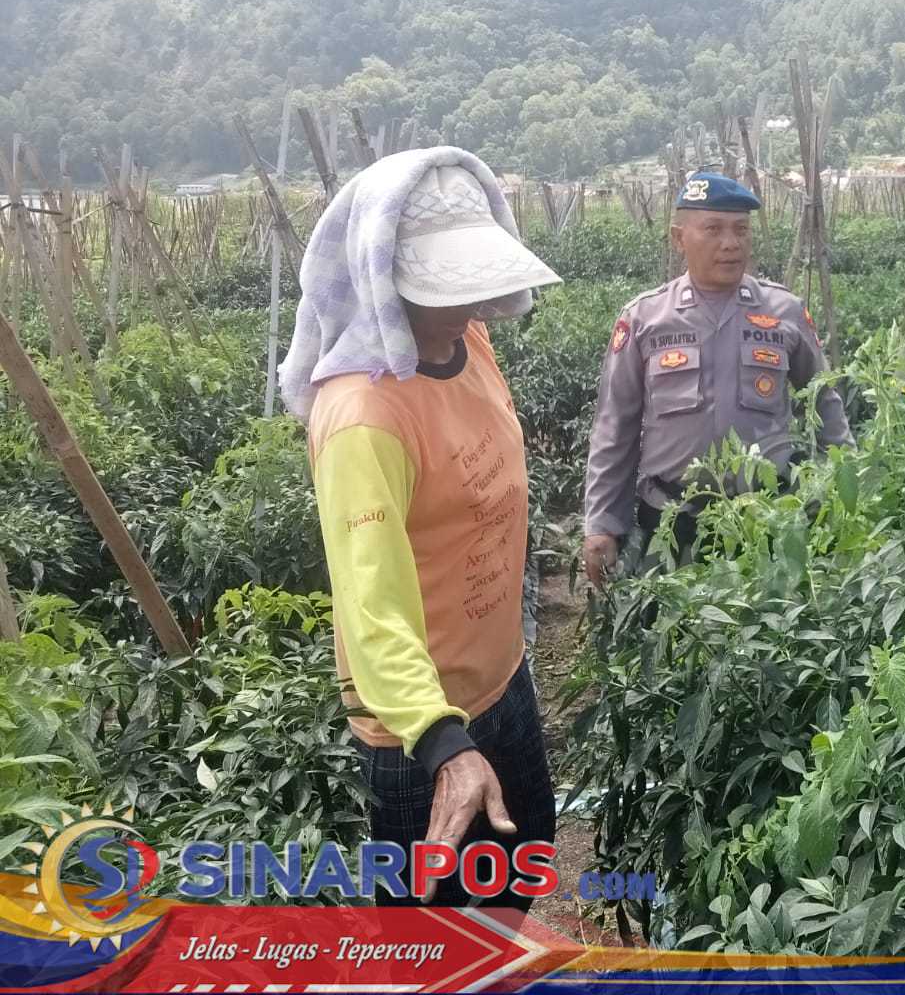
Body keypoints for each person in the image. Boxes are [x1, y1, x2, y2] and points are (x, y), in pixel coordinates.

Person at [279, 147, 563, 906]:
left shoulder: (467, 343)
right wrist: (443, 744)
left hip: (503, 679)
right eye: (444, 291)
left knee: (521, 871)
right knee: (427, 939)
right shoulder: (365, 418)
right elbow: (370, 606)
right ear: (381, 278)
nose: (467, 311)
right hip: (418, 735)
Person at [582, 171, 853, 589]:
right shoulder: (645, 319)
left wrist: (840, 495)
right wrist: (602, 522)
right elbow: (614, 427)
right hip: (671, 522)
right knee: (674, 641)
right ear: (679, 238)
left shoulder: (784, 311)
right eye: (713, 229)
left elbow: (825, 406)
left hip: (767, 519)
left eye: (741, 230)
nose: (730, 243)